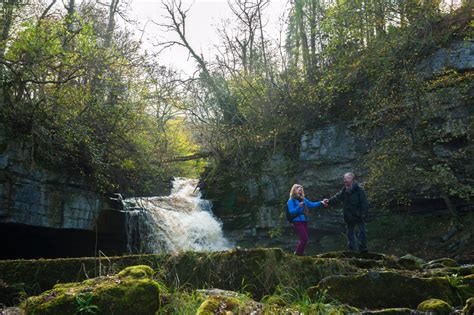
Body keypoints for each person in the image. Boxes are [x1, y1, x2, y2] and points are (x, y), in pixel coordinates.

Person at [323, 172, 369, 253]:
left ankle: (363, 249)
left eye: (347, 178)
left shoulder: (359, 190)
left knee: (362, 232)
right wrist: (328, 201)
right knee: (350, 234)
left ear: (352, 179)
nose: (345, 180)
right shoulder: (344, 190)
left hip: (359, 215)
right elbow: (337, 197)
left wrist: (363, 214)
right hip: (349, 216)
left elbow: (364, 203)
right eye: (344, 178)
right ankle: (352, 250)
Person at [287, 184, 324, 256]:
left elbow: (311, 204)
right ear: (294, 190)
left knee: (304, 239)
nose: (300, 191)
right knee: (304, 238)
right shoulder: (291, 201)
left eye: (301, 190)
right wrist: (299, 207)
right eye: (298, 189)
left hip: (304, 221)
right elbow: (291, 211)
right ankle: (297, 254)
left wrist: (321, 202)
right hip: (297, 221)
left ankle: (299, 253)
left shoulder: (303, 199)